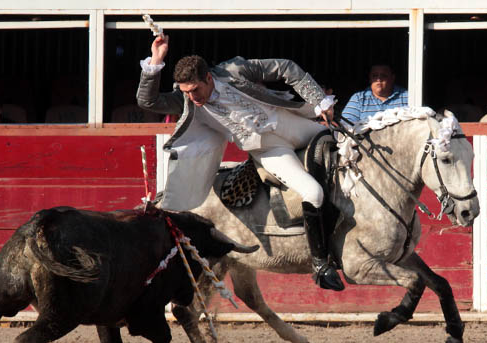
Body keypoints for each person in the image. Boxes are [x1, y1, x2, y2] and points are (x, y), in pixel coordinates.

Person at [137, 34, 344, 291]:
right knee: (312, 192)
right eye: (186, 92)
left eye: (195, 90)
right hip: (271, 150)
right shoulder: (186, 101)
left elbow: (285, 67)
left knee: (350, 147)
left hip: (296, 125)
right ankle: (321, 265)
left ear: (209, 78)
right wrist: (156, 61)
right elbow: (147, 101)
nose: (192, 97)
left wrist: (318, 100)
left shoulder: (233, 70)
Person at [341, 63, 408, 125]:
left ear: (392, 78)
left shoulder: (407, 97)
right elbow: (347, 126)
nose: (378, 79)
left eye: (383, 76)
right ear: (370, 78)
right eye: (375, 76)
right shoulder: (359, 99)